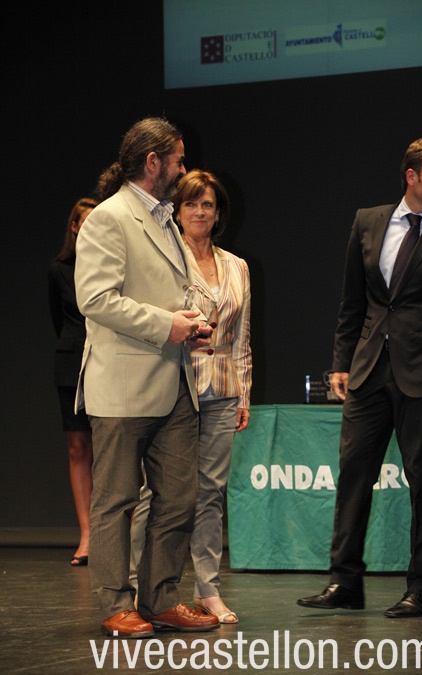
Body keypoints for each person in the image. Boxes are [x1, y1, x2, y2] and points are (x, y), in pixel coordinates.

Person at [74, 117, 219, 638]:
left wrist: (189, 325)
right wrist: (166, 325)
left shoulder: (164, 220)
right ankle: (115, 602)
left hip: (173, 381)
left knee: (179, 497)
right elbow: (95, 299)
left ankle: (160, 598)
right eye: (178, 160)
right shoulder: (110, 218)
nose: (183, 169)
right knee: (116, 499)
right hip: (124, 385)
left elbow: (162, 292)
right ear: (153, 162)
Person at [297, 136, 422, 618]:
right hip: (368, 370)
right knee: (354, 475)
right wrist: (341, 361)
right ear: (412, 176)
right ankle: (344, 582)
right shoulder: (368, 220)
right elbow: (353, 300)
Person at [130, 169, 252, 624]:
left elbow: (242, 337)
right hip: (174, 383)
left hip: (222, 387)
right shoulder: (164, 258)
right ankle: (140, 585)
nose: (200, 212)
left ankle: (208, 589)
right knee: (159, 491)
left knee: (211, 492)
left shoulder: (237, 266)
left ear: (218, 213)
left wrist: (243, 393)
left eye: (208, 204)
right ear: (176, 212)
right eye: (191, 204)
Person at [48, 197, 97, 567]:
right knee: (78, 448)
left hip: (109, 362)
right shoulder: (59, 269)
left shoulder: (114, 263)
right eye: (85, 221)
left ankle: (125, 533)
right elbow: (59, 320)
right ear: (75, 226)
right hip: (71, 364)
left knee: (117, 449)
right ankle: (87, 536)